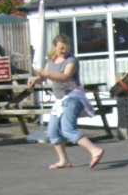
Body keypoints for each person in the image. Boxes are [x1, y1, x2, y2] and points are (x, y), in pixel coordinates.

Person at [28, 34, 105, 170]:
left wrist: (46, 74)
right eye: (61, 48)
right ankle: (63, 161)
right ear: (55, 48)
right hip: (59, 100)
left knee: (68, 130)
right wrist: (35, 79)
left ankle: (95, 150)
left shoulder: (71, 60)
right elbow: (44, 75)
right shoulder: (52, 59)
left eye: (66, 48)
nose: (64, 51)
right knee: (52, 131)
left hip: (73, 97)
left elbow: (65, 77)